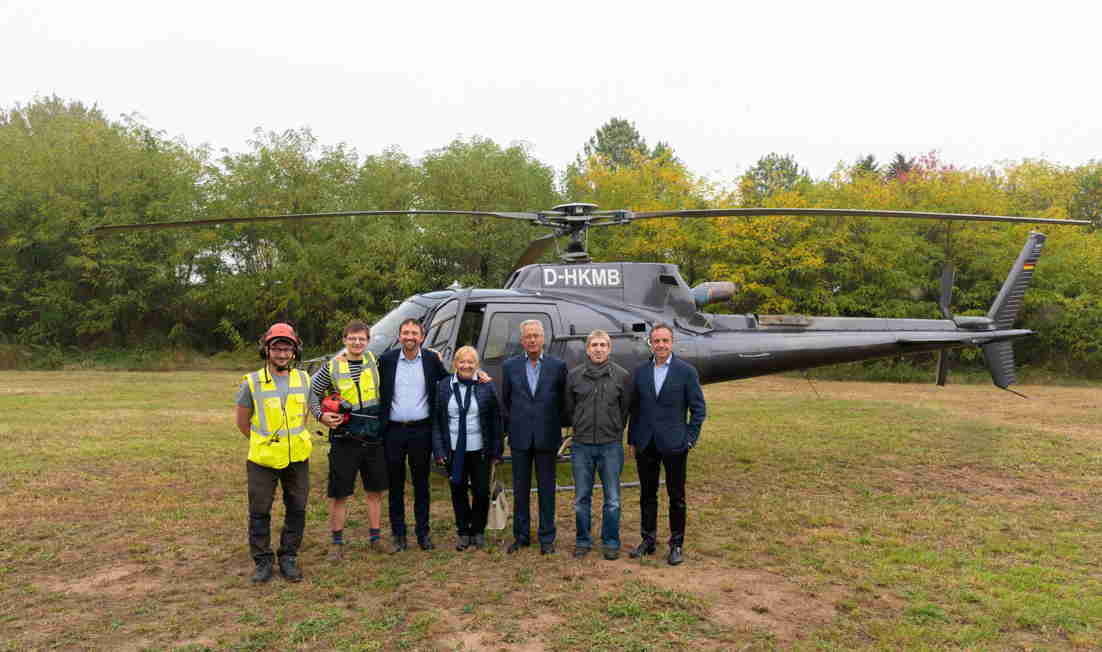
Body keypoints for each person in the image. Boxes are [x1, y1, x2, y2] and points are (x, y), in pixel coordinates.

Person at [234, 322, 312, 583]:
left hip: (297, 457)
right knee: (260, 510)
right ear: (266, 350)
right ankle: (263, 561)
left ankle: (288, 557)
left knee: (297, 508)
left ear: (294, 351)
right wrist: (265, 442)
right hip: (263, 460)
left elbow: (304, 416)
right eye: (276, 348)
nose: (281, 354)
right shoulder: (252, 382)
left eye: (286, 348)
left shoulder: (304, 379)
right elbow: (243, 422)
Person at [627, 323, 706, 566]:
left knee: (676, 496)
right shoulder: (640, 372)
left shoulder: (686, 371)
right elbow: (635, 409)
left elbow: (699, 409)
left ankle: (676, 544)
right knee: (647, 495)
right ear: (650, 343)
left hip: (675, 444)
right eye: (656, 341)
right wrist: (632, 439)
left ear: (672, 343)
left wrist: (690, 438)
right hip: (646, 442)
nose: (661, 345)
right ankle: (648, 540)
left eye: (665, 341)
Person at [308, 320, 387, 563]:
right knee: (339, 493)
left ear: (368, 341)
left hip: (373, 437)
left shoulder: (375, 361)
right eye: (352, 338)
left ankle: (376, 538)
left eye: (361, 338)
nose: (357, 342)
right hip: (345, 438)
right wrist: (321, 416)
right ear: (344, 340)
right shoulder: (331, 367)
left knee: (375, 491)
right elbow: (311, 393)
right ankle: (337, 543)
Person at [378, 319, 448, 553]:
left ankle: (423, 533)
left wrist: (478, 375)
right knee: (395, 485)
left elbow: (450, 381)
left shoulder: (431, 360)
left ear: (423, 337)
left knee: (421, 484)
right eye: (405, 332)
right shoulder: (386, 361)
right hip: (394, 431)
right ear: (399, 336)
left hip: (421, 430)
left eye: (414, 333)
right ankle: (398, 535)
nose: (410, 336)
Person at [563, 330, 631, 561]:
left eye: (603, 345)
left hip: (610, 445)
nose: (599, 349)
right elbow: (569, 408)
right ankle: (583, 540)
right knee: (582, 498)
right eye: (594, 345)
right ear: (587, 348)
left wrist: (612, 428)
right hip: (582, 446)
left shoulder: (621, 376)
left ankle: (611, 541)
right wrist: (581, 426)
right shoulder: (574, 376)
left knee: (612, 499)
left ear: (609, 349)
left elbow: (624, 410)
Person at [501, 319, 567, 555]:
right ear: (522, 340)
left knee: (547, 489)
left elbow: (562, 402)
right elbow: (506, 401)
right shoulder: (510, 367)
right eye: (528, 336)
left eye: (536, 335)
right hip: (519, 437)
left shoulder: (558, 366)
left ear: (543, 338)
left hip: (547, 436)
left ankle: (547, 537)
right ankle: (521, 536)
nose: (532, 340)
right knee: (520, 489)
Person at [431, 346, 504, 551]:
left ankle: (478, 530)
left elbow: (496, 419)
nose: (466, 365)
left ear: (477, 365)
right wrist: (438, 450)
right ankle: (463, 531)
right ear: (455, 364)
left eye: (471, 362)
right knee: (458, 491)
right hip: (453, 449)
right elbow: (437, 420)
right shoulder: (444, 386)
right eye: (462, 362)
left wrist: (497, 451)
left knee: (481, 492)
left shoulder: (485, 386)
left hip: (480, 449)